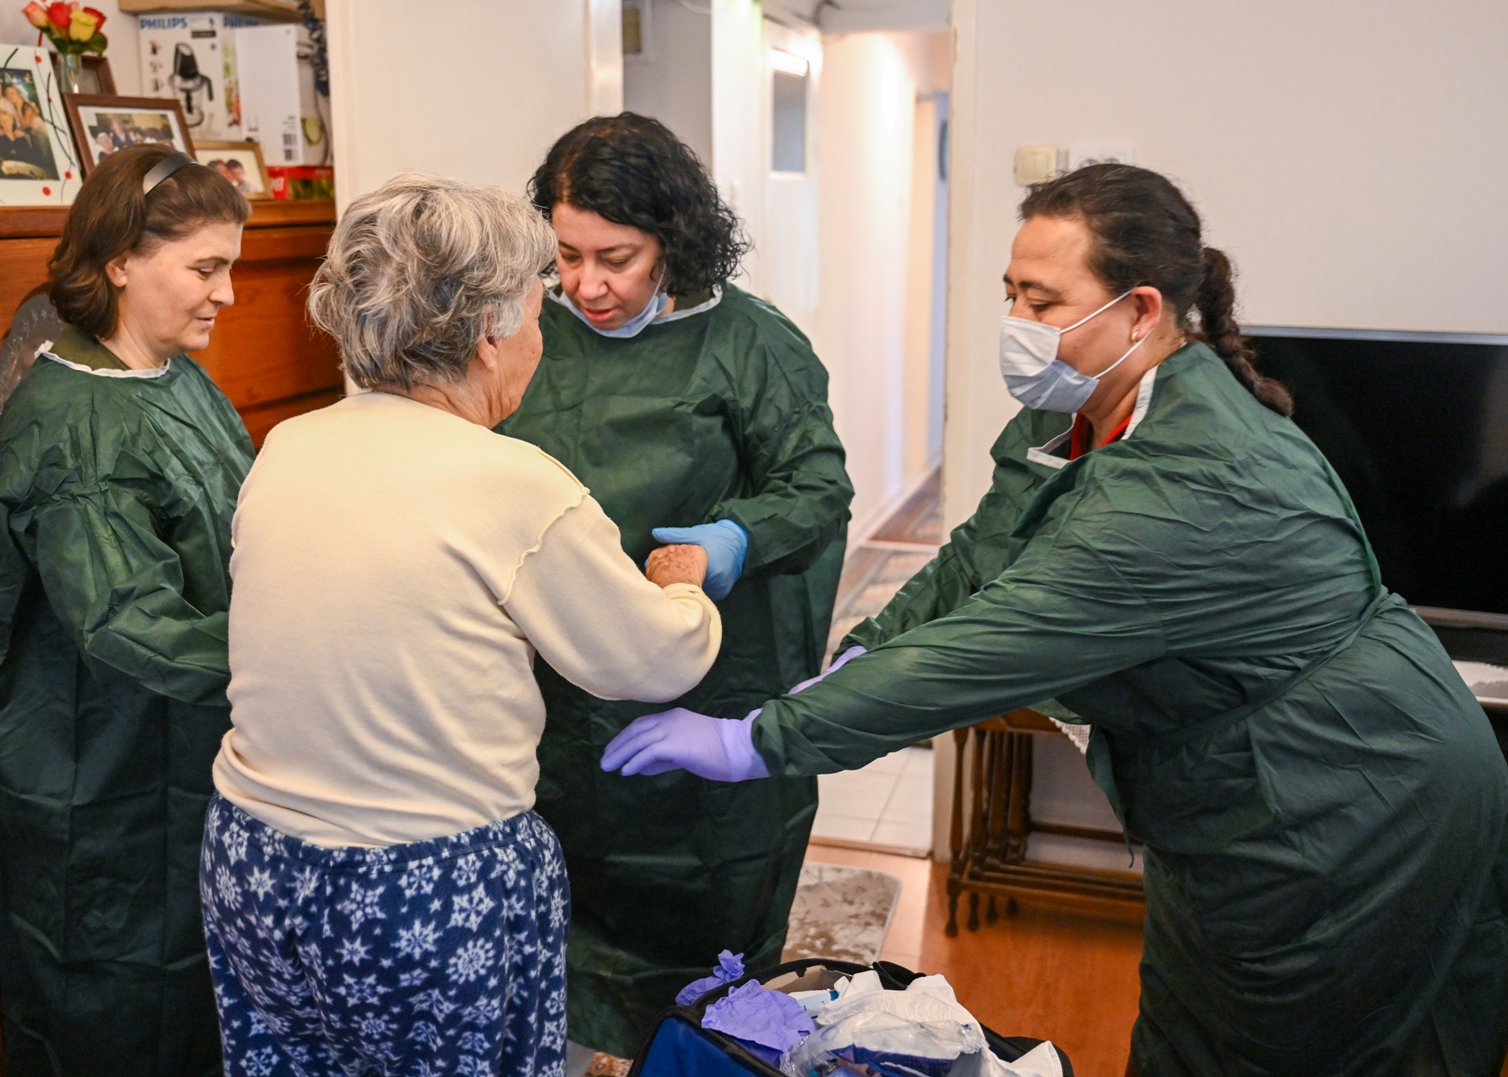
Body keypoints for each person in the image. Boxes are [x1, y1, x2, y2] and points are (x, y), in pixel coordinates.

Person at [603, 163, 1508, 1076]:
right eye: (1011, 294)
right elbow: (978, 556)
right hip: (1245, 786)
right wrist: (868, 646)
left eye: (1042, 302)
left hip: (1347, 790)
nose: (1017, 323)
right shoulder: (1076, 409)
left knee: (1276, 1047)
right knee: (1188, 1029)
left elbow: (990, 644)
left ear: (1140, 310)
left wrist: (759, 738)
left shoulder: (1182, 483)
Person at [199, 173, 723, 1076]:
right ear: (488, 332)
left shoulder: (288, 446)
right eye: (538, 312)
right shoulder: (513, 483)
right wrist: (685, 589)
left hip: (253, 861)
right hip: (419, 888)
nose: (540, 338)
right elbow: (653, 659)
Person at [497, 113, 854, 1057]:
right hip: (557, 691)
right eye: (567, 256)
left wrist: (735, 538)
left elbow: (818, 486)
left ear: (674, 240)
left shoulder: (749, 344)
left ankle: (711, 1052)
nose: (588, 285)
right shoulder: (529, 333)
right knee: (562, 911)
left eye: (616, 258)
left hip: (706, 682)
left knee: (707, 936)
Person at [0, 144, 253, 1077]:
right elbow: (130, 621)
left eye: (230, 268)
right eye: (205, 269)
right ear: (122, 259)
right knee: (117, 1010)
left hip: (187, 750)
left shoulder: (175, 375)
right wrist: (299, 658)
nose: (225, 294)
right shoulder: (74, 424)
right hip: (98, 779)